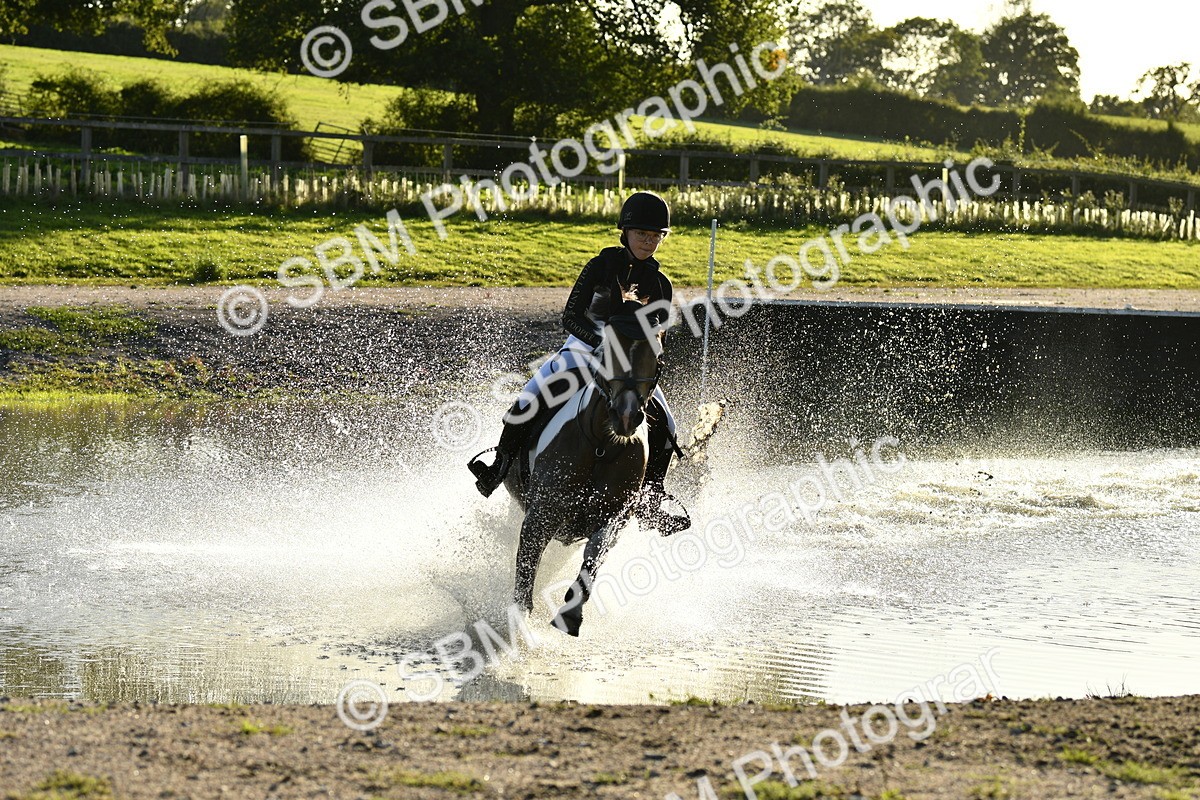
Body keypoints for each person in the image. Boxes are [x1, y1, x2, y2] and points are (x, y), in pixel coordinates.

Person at [468, 190, 689, 534]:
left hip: (630, 365)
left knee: (669, 425)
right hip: (584, 350)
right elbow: (571, 317)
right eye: (642, 234)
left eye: (655, 235)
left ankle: (652, 496)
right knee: (526, 401)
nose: (648, 241)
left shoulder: (661, 284)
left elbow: (657, 334)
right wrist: (604, 342)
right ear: (625, 232)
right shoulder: (600, 266)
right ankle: (499, 467)